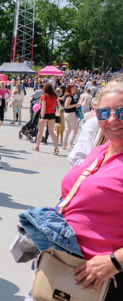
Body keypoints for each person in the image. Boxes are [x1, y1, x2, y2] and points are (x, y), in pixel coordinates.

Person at [48, 82, 123, 299]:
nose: (111, 119)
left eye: (121, 112)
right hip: (66, 266)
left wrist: (114, 262)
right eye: (103, 112)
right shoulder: (99, 151)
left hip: (105, 280)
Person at [32, 83, 61, 154]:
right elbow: (59, 105)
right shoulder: (55, 96)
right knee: (51, 132)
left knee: (40, 131)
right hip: (52, 114)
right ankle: (56, 148)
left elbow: (43, 107)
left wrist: (42, 117)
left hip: (45, 115)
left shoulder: (44, 96)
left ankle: (37, 146)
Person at [62, 84, 80, 150]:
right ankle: (69, 144)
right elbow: (66, 105)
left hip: (66, 113)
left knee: (68, 129)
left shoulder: (67, 95)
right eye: (73, 87)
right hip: (70, 113)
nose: (75, 88)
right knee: (74, 129)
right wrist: (76, 105)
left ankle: (65, 144)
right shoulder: (69, 96)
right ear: (70, 88)